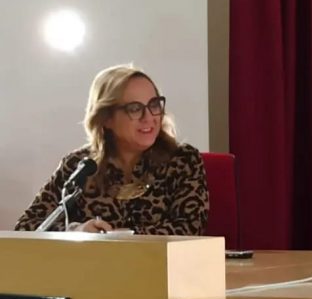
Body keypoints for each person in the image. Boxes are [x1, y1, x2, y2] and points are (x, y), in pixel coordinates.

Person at [15, 64, 209, 235]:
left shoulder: (183, 160)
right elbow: (26, 227)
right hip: (90, 265)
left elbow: (189, 228)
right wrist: (75, 231)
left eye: (154, 104)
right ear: (106, 118)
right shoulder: (79, 166)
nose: (149, 117)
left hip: (158, 264)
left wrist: (115, 237)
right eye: (135, 108)